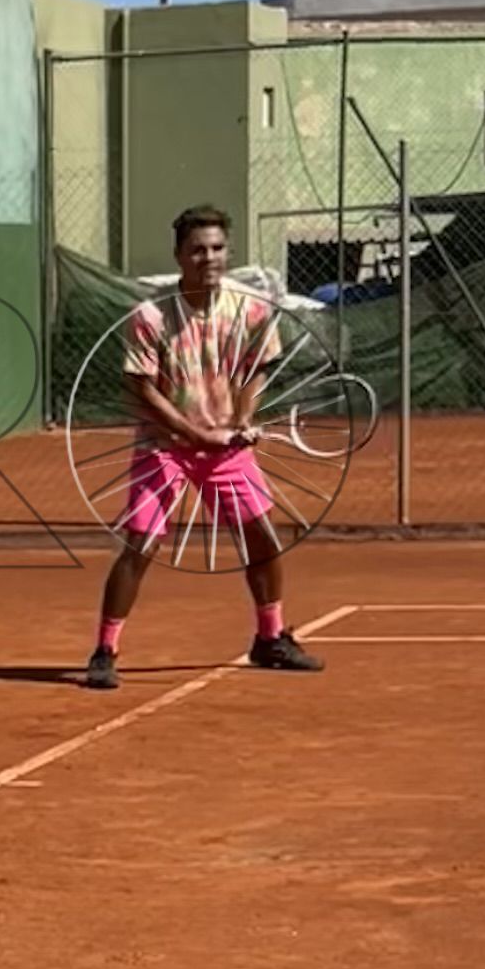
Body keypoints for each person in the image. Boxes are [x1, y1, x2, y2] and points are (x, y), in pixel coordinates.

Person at [83, 205, 323, 692]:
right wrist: (194, 435)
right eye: (197, 250)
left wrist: (241, 419)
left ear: (227, 253)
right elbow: (141, 389)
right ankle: (105, 650)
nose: (208, 258)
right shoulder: (151, 316)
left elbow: (255, 366)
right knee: (141, 545)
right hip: (164, 446)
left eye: (216, 249)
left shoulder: (251, 308)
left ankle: (270, 638)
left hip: (226, 448)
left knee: (262, 537)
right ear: (179, 256)